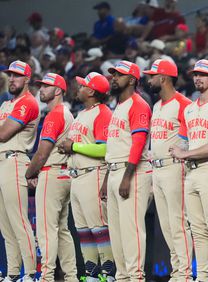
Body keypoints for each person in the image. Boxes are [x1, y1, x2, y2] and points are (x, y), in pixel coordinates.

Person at [170, 59, 208, 282]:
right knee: (197, 229)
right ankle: (202, 277)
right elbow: (187, 143)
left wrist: (185, 153)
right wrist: (178, 150)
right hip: (192, 171)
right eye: (195, 74)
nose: (198, 78)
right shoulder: (189, 109)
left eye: (203, 74)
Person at [57, 72, 115, 281]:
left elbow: (104, 149)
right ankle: (92, 274)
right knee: (83, 230)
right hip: (77, 176)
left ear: (91, 91)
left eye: (83, 86)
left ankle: (108, 275)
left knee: (99, 228)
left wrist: (74, 146)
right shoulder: (82, 114)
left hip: (94, 174)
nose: (79, 88)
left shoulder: (103, 113)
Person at [100, 60, 152, 281]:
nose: (114, 78)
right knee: (117, 233)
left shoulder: (138, 104)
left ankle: (135, 277)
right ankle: (123, 277)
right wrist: (106, 179)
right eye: (113, 74)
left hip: (131, 172)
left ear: (131, 80)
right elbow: (113, 147)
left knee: (131, 231)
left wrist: (126, 178)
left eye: (119, 75)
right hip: (114, 170)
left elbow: (138, 143)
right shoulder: (119, 106)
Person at [25, 73, 78, 282]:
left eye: (46, 86)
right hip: (65, 174)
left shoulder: (55, 114)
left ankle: (46, 277)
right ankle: (71, 277)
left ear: (58, 90)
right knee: (62, 230)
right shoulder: (67, 113)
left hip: (52, 173)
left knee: (47, 230)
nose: (41, 89)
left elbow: (43, 151)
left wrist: (30, 173)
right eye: (41, 85)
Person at [145, 59, 194, 282]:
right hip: (157, 169)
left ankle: (183, 274)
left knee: (178, 224)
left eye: (152, 76)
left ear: (163, 78)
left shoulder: (183, 103)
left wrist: (182, 152)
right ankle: (177, 273)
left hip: (175, 168)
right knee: (166, 226)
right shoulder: (156, 106)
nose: (149, 79)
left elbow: (192, 137)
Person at [0, 61, 39, 282]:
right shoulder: (7, 104)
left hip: (14, 161)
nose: (12, 79)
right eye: (10, 75)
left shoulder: (27, 103)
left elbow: (4, 134)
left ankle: (31, 273)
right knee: (5, 225)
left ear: (26, 79)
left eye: (17, 75)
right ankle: (13, 273)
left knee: (19, 221)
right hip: (1, 162)